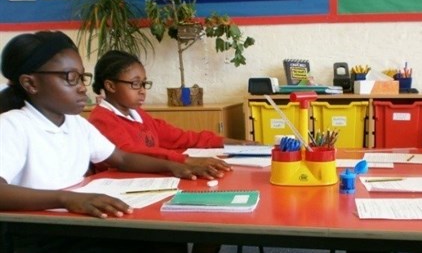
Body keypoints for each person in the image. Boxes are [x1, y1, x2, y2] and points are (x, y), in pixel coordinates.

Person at [0, 31, 224, 252]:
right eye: (70, 77)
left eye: (81, 77)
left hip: (78, 224)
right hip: (37, 233)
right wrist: (66, 199)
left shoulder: (76, 124)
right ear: (31, 84)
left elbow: (122, 157)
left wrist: (174, 167)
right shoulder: (13, 125)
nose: (81, 87)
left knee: (166, 241)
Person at [87, 50, 250, 172]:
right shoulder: (102, 119)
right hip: (120, 187)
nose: (143, 90)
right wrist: (185, 161)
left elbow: (181, 138)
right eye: (135, 84)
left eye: (144, 84)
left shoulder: (137, 114)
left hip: (151, 179)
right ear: (110, 86)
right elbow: (129, 154)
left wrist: (228, 143)